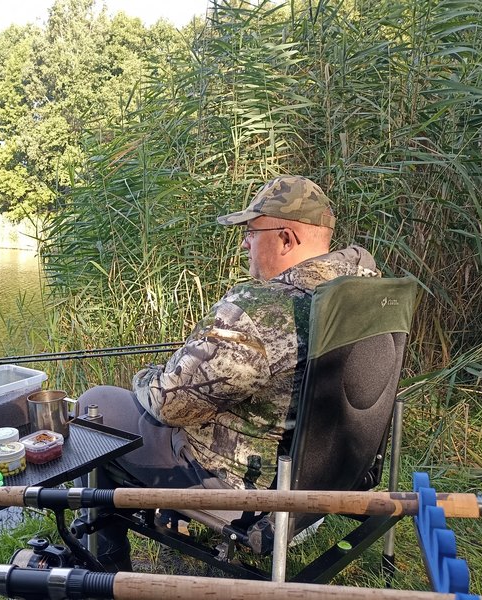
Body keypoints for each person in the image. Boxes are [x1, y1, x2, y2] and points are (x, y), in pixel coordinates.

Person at [76, 175, 380, 571]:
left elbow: (169, 403)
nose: (244, 243)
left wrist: (146, 375)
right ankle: (149, 531)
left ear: (286, 239)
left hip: (248, 491)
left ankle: (104, 564)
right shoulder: (362, 291)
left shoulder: (259, 309)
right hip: (332, 475)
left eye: (252, 232)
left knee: (95, 405)